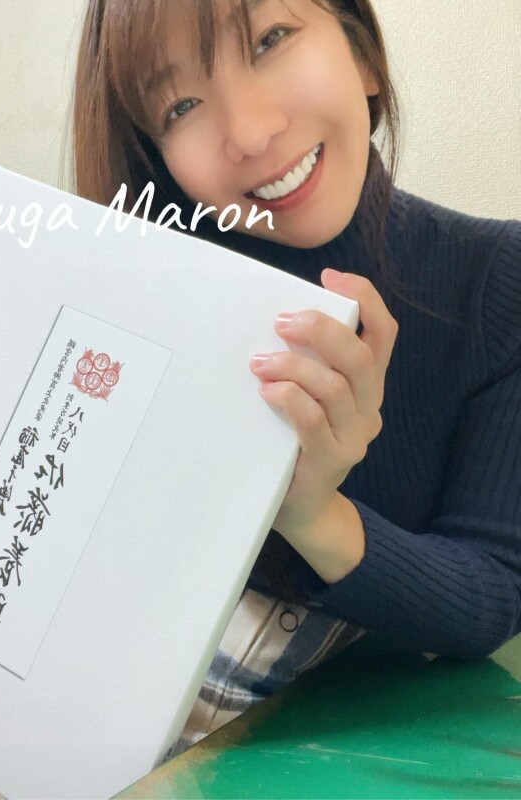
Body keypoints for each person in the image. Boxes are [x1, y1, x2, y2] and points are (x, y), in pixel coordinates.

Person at [73, 0, 521, 753]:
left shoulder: (496, 279)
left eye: (270, 39)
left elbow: (492, 594)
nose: (250, 133)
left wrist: (311, 509)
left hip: (355, 752)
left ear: (363, 54)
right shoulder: (143, 309)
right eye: (180, 105)